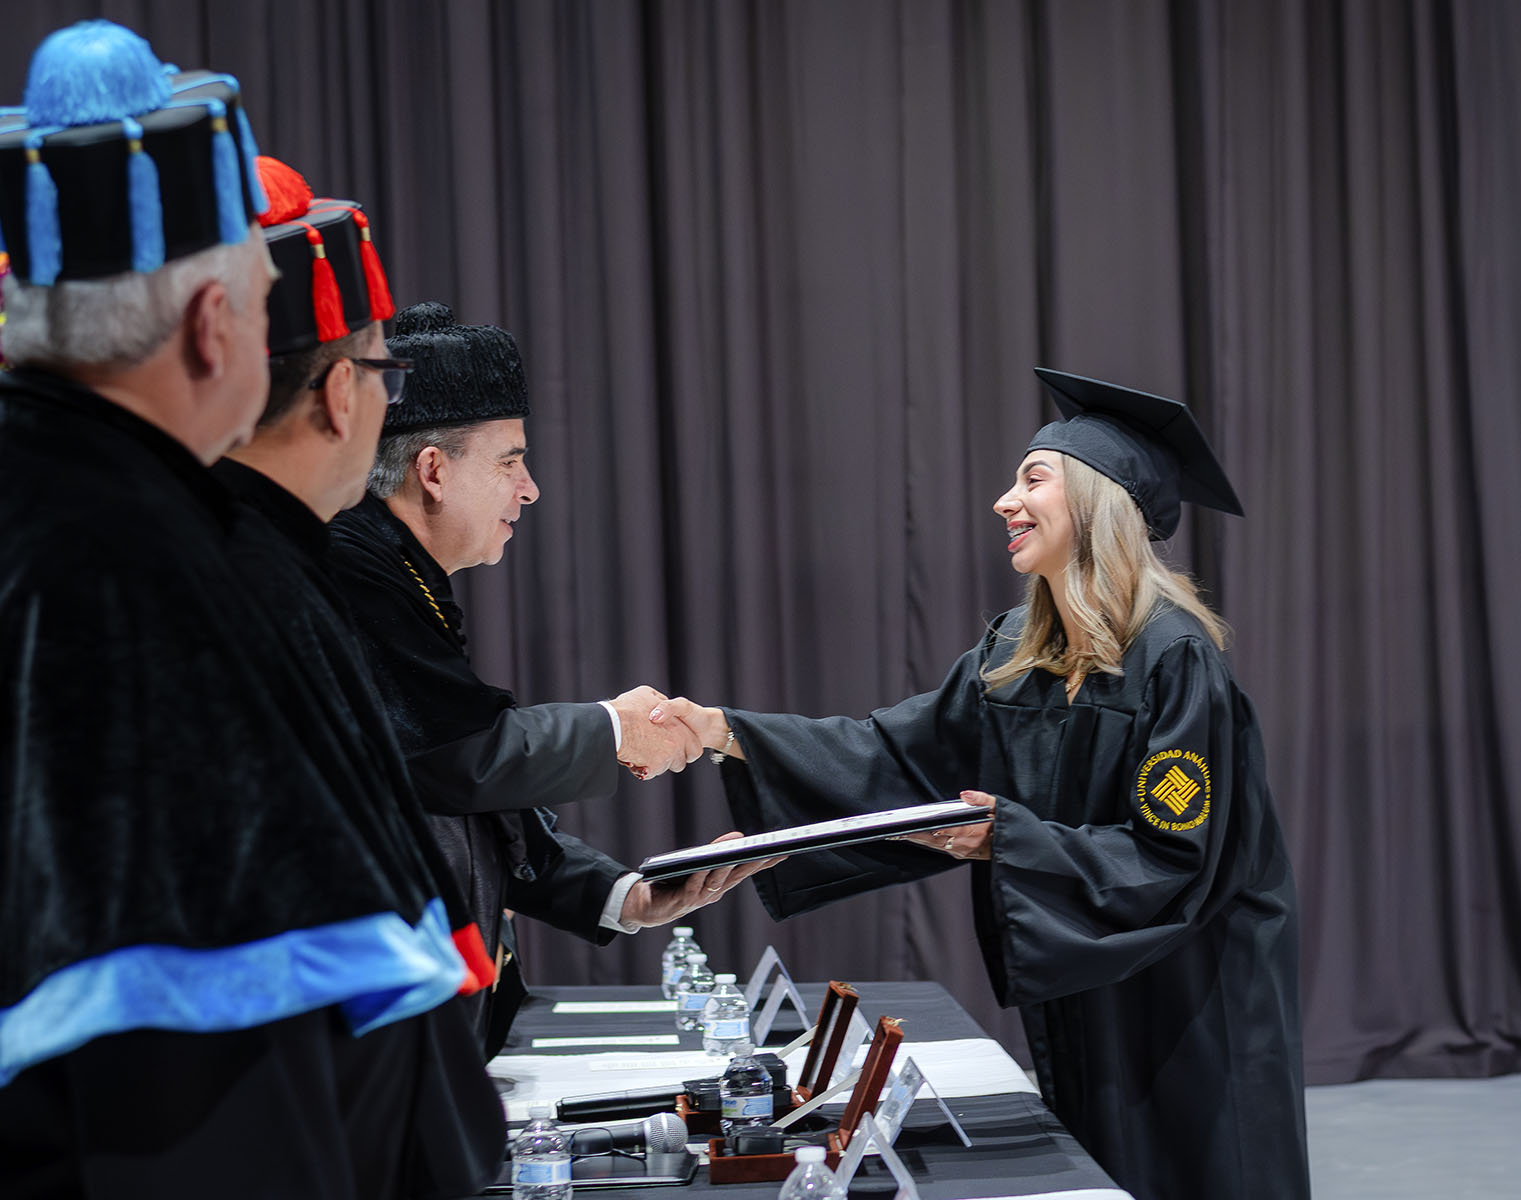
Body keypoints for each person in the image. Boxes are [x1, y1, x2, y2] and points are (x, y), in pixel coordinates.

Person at [0, 23, 497, 1196]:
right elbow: (199, 1077)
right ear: (213, 327)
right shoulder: (124, 581)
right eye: (263, 290)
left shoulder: (109, 517)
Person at [652, 369, 1311, 1199]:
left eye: (1032, 479)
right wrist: (725, 734)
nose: (1004, 500)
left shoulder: (1174, 658)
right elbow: (892, 757)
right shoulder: (1015, 654)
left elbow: (1177, 855)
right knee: (1100, 1158)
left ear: (1100, 505)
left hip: (1189, 978)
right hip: (1094, 968)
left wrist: (1011, 838)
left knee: (1195, 1161)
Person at [328, 301, 765, 1057]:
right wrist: (614, 729)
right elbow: (452, 759)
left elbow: (463, 786)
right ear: (433, 469)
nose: (528, 490)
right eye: (509, 461)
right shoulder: (350, 564)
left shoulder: (401, 569)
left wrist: (623, 895)